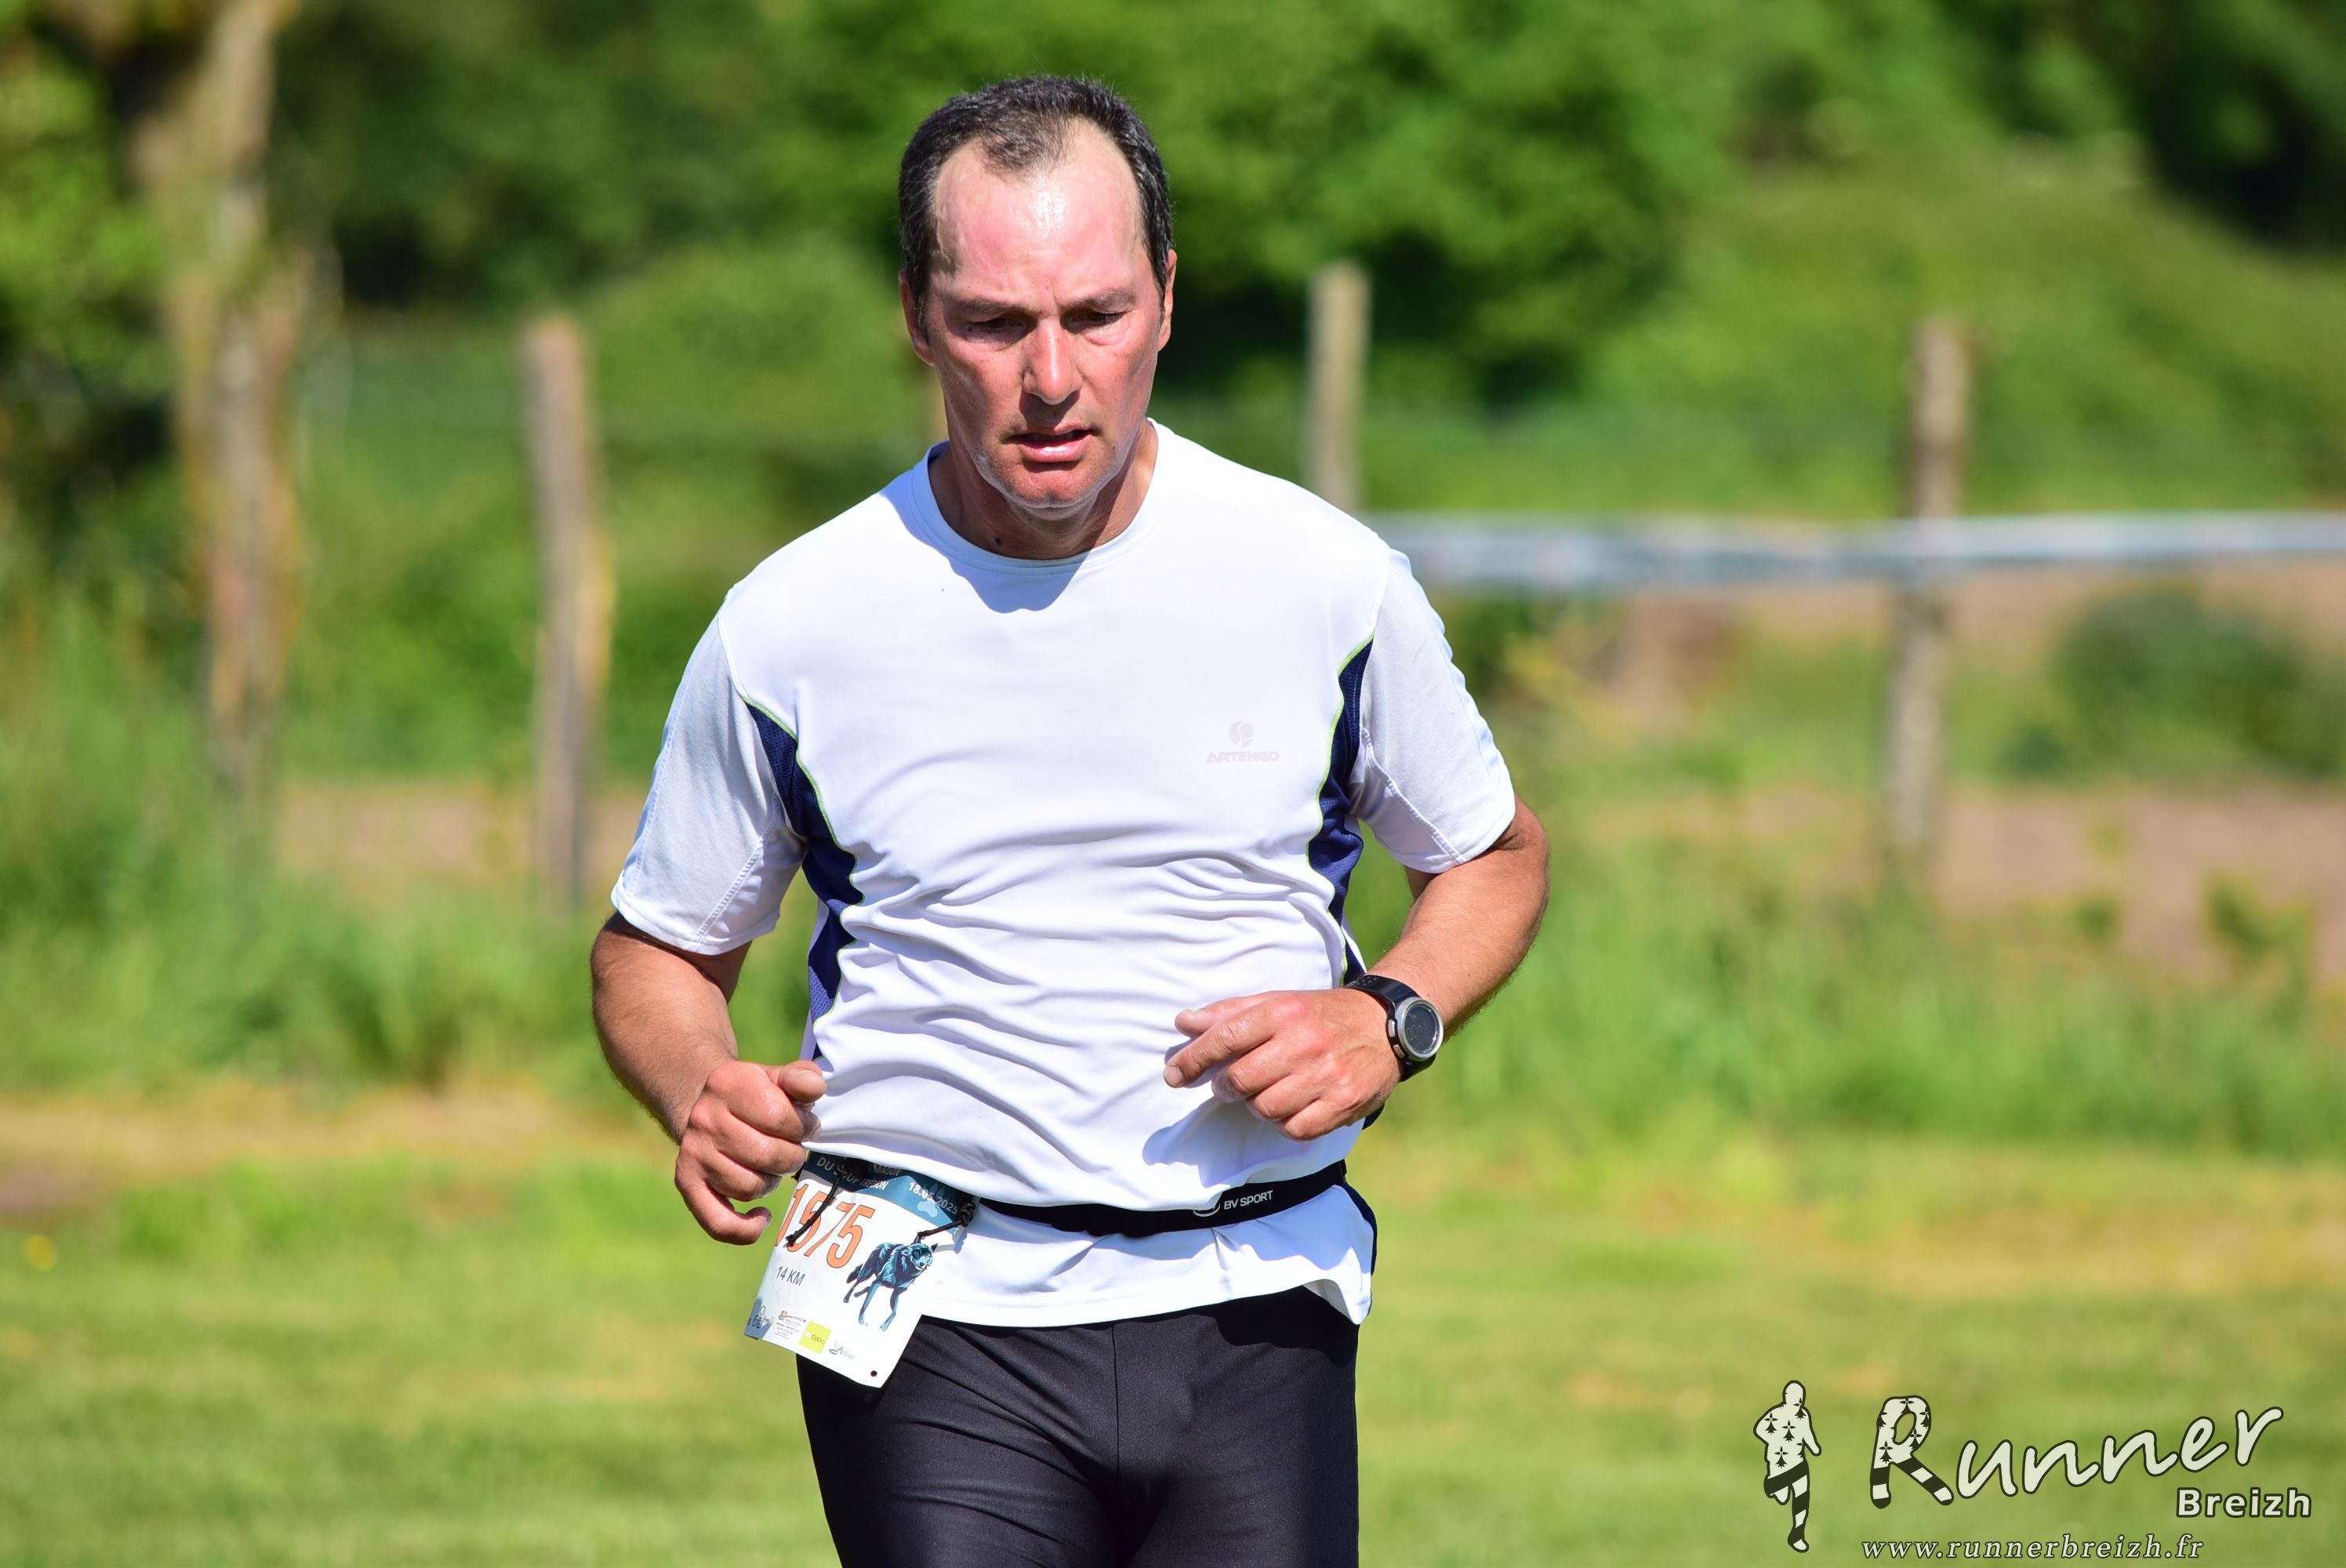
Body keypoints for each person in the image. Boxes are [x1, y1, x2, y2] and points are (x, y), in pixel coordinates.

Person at [590, 74, 1549, 1568]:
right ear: (918, 317)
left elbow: (1491, 856)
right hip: (916, 1301)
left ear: (1165, 297)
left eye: (1095, 316)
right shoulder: (792, 622)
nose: (1051, 377)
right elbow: (656, 947)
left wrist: (1389, 1017)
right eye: (994, 323)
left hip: (1255, 1288)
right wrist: (697, 1084)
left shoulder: (1321, 581)